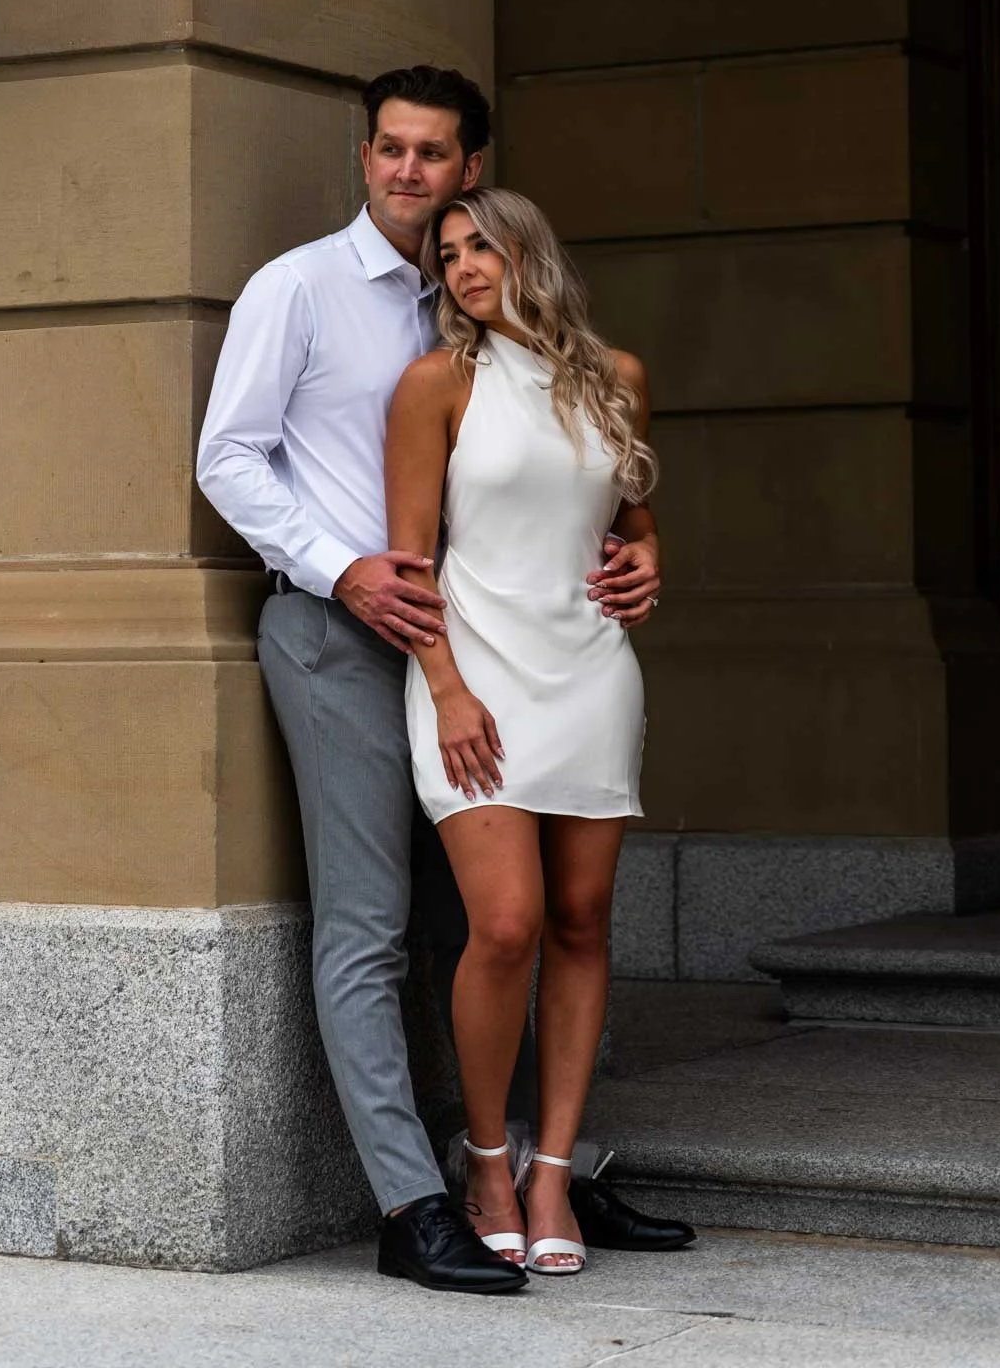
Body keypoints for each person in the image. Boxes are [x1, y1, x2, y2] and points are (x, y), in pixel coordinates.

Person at [196, 65, 689, 1293]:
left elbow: (574, 474)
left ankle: (528, 1161)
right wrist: (343, 570)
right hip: (343, 629)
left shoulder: (461, 300)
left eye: (431, 153)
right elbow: (228, 457)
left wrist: (639, 549)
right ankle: (413, 1201)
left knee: (484, 922)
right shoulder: (300, 287)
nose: (407, 170)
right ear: (364, 155)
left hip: (496, 638)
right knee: (372, 923)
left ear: (472, 170)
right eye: (389, 148)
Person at [385, 188, 663, 1276]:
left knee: (582, 921)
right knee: (505, 924)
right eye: (447, 254)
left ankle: (553, 1174)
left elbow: (629, 519)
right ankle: (488, 1162)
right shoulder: (436, 385)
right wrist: (447, 690)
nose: (461, 267)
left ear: (527, 252)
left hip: (590, 673)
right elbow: (409, 563)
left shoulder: (616, 378)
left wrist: (650, 558)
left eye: (480, 247)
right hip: (476, 676)